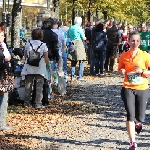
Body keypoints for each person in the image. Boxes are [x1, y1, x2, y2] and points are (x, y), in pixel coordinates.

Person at [118, 31, 150, 149]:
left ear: (140, 42)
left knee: (140, 116)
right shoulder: (124, 56)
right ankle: (132, 142)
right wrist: (121, 71)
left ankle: (139, 122)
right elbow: (120, 69)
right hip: (127, 87)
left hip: (142, 88)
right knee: (130, 115)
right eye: (132, 41)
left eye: (137, 41)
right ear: (128, 41)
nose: (135, 43)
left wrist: (141, 72)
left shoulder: (145, 55)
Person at [21, 28, 49, 109]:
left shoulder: (28, 43)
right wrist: (48, 65)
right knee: (39, 86)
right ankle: (38, 104)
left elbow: (25, 55)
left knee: (28, 85)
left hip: (29, 66)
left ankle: (26, 103)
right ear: (41, 35)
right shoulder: (43, 45)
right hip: (40, 67)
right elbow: (46, 58)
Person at [0, 27, 12, 133]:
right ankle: (1, 123)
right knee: (3, 99)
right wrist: (6, 63)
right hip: (1, 78)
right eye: (2, 35)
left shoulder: (2, 46)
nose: (4, 37)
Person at [68, 16, 86, 81]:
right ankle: (80, 76)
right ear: (79, 22)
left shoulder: (71, 28)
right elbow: (83, 37)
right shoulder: (79, 28)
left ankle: (73, 76)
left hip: (72, 44)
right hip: (79, 44)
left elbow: (68, 36)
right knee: (82, 60)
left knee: (73, 60)